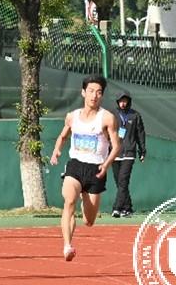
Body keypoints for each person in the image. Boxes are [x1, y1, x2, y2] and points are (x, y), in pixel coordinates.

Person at [49, 75, 122, 261]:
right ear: (83, 92)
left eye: (98, 92)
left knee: (89, 221)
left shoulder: (107, 118)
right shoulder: (72, 117)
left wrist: (106, 164)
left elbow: (116, 146)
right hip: (75, 165)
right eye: (90, 91)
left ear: (102, 95)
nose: (94, 96)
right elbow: (62, 136)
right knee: (69, 202)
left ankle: (85, 198)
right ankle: (67, 246)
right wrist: (57, 150)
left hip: (96, 169)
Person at [110, 90, 146, 218]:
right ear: (117, 101)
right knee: (120, 183)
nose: (123, 103)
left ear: (129, 101)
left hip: (129, 153)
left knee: (123, 181)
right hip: (114, 153)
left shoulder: (135, 116)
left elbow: (140, 134)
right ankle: (128, 208)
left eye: (125, 101)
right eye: (121, 101)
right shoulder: (112, 115)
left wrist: (142, 151)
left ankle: (117, 208)